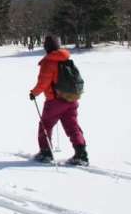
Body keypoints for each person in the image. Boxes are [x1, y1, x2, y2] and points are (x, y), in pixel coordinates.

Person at [30, 35, 89, 166]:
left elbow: (43, 83)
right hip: (71, 99)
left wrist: (34, 93)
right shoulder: (66, 58)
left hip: (55, 101)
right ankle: (81, 154)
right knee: (72, 126)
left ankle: (46, 152)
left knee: (45, 125)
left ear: (47, 47)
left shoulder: (48, 62)